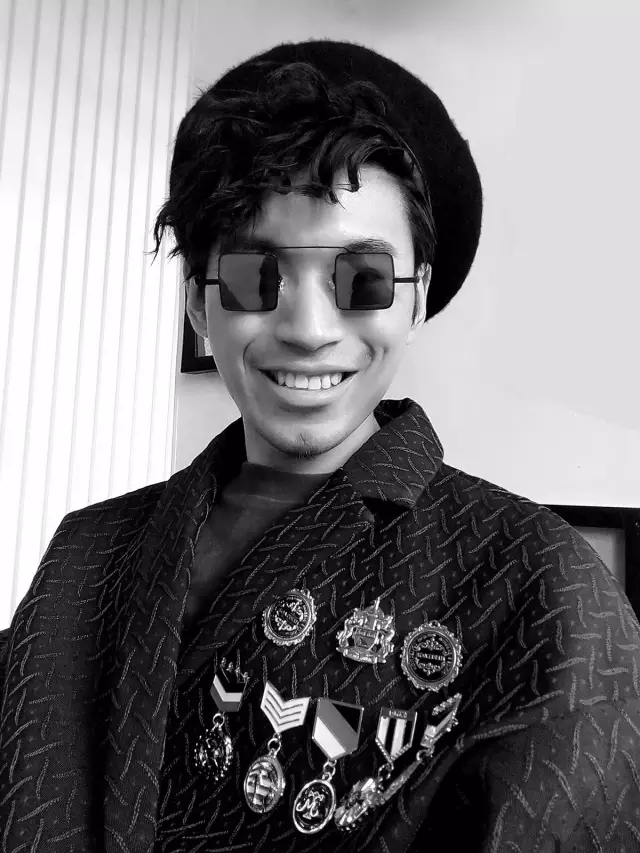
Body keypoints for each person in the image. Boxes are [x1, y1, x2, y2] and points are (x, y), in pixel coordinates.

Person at [0, 38, 639, 853]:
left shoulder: (540, 587)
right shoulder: (88, 551)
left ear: (415, 300)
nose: (307, 328)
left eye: (361, 279)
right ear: (198, 304)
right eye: (253, 277)